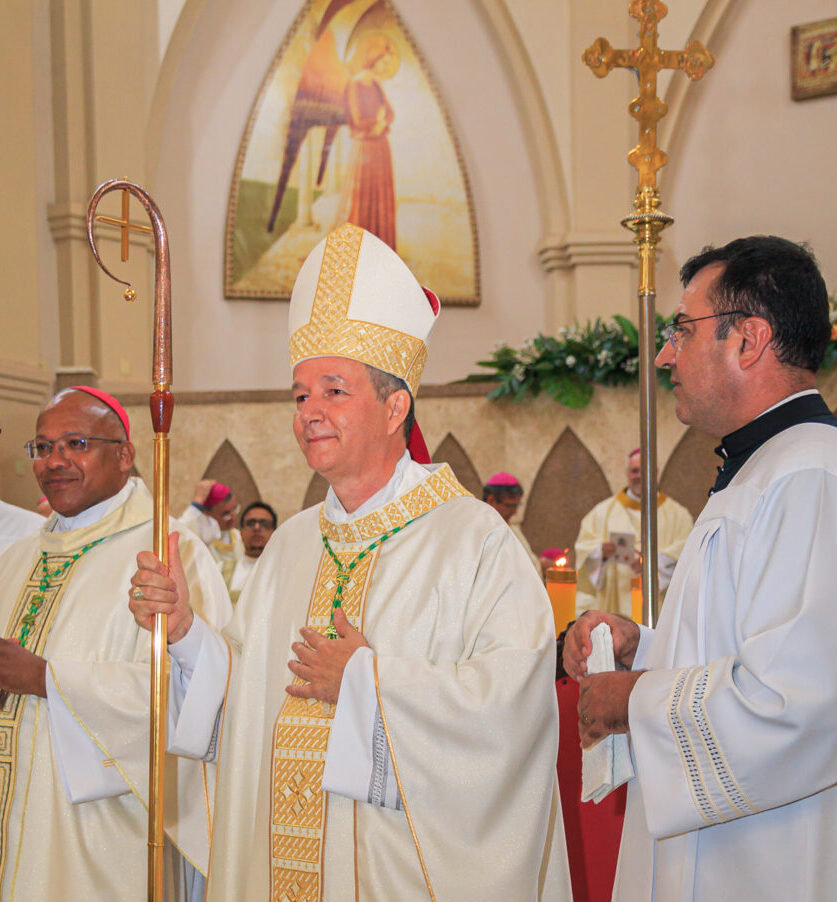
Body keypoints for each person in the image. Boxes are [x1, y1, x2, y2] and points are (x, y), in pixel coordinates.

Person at [130, 222, 571, 900]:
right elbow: (246, 705)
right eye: (300, 394)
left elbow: (512, 710)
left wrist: (366, 683)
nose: (309, 411)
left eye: (334, 390)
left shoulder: (474, 539)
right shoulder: (291, 545)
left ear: (396, 406)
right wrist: (187, 632)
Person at [563, 235, 837, 901]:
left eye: (681, 331)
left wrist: (636, 700)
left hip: (766, 857)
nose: (663, 355)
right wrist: (642, 650)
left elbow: (801, 699)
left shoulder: (810, 476)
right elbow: (742, 650)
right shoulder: (762, 469)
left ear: (748, 340)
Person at [0, 386, 232, 900]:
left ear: (124, 456)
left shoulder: (169, 551)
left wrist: (45, 680)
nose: (54, 461)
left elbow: (202, 698)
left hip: (103, 838)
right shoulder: (15, 558)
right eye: (42, 447)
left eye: (75, 443)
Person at [574, 447, 693, 616]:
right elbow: (583, 549)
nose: (639, 476)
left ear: (656, 472)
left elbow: (687, 553)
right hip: (613, 605)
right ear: (627, 474)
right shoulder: (601, 513)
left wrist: (653, 564)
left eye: (645, 470)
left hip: (659, 607)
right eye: (635, 471)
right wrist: (601, 552)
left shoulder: (679, 516)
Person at [219, 500, 277, 604]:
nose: (257, 528)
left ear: (274, 533)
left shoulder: (284, 573)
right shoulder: (220, 571)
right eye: (250, 523)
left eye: (264, 524)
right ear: (241, 532)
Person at [482, 471, 541, 571]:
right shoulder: (481, 530)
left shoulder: (513, 529)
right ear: (491, 500)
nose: (514, 512)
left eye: (517, 505)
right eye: (509, 506)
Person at [179, 479, 243, 565]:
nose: (234, 517)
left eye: (235, 510)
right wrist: (197, 503)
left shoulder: (240, 537)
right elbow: (180, 533)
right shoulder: (203, 538)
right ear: (207, 513)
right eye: (226, 514)